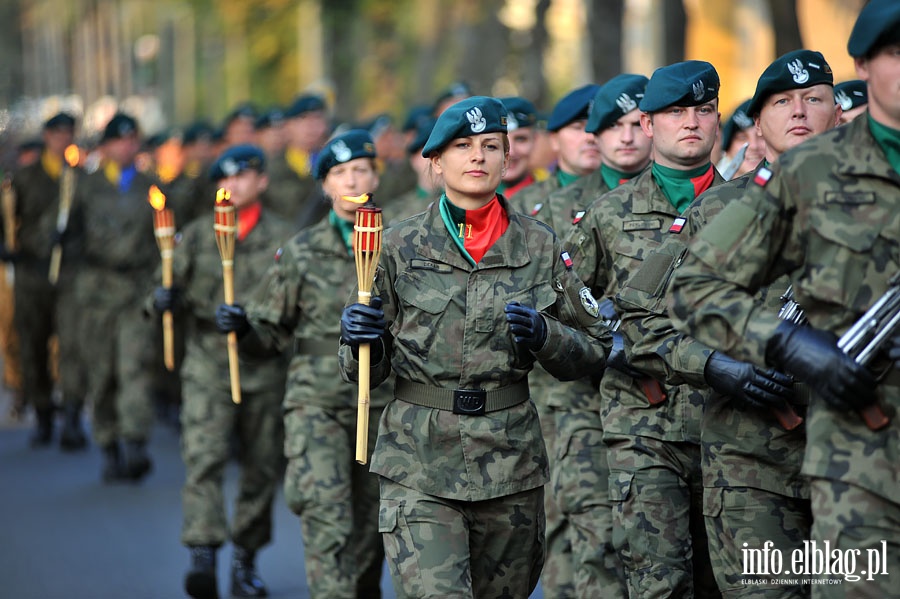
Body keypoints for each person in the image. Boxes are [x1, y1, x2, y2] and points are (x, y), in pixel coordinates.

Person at [338, 96, 612, 598]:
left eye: (491, 146)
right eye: (462, 146)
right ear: (436, 162)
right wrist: (364, 340)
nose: (478, 156)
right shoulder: (396, 246)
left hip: (509, 464)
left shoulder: (541, 245)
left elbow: (594, 347)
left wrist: (547, 337)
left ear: (509, 159)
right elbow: (359, 370)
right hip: (419, 461)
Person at [668, 3, 900, 596]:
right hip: (821, 461)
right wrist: (774, 349)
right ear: (865, 67)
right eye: (896, 54)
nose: (799, 113)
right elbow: (683, 299)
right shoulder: (797, 180)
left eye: (813, 98)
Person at [616, 48, 841, 598]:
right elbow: (642, 325)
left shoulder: (881, 203)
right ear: (756, 124)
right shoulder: (716, 213)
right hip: (751, 466)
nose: (799, 112)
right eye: (781, 102)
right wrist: (715, 365)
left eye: (814, 99)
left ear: (838, 112)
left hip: (857, 458)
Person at [564, 60, 725, 598]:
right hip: (643, 427)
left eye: (704, 111)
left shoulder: (750, 206)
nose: (692, 123)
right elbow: (566, 307)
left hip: (733, 427)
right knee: (659, 583)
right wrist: (609, 345)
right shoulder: (608, 215)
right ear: (650, 124)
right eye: (676, 112)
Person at [217, 130, 391, 598]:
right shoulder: (299, 252)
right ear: (325, 186)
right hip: (316, 404)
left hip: (385, 405)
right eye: (339, 172)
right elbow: (269, 332)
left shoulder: (400, 246)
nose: (352, 179)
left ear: (376, 176)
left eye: (360, 169)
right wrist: (243, 328)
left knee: (373, 523)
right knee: (326, 515)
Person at [154, 144, 291, 599]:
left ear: (262, 182)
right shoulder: (196, 235)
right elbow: (162, 288)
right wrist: (160, 301)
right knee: (204, 456)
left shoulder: (283, 239)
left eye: (243, 176)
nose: (231, 185)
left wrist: (256, 322)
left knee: (261, 467)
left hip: (264, 364)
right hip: (209, 361)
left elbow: (294, 307)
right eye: (224, 179)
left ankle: (244, 559)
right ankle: (204, 552)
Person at [67, 112, 159, 480]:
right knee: (102, 371)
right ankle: (108, 444)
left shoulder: (151, 188)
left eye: (132, 139)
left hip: (136, 290)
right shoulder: (84, 187)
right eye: (119, 140)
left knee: (134, 367)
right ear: (105, 146)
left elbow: (163, 238)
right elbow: (68, 235)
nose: (126, 146)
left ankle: (135, 441)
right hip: (97, 291)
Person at [0, 112, 87, 450]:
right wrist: (8, 249)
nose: (64, 139)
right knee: (32, 345)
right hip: (32, 274)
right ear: (48, 137)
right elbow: (7, 220)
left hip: (68, 274)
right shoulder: (23, 179)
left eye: (69, 133)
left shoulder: (79, 179)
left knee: (71, 346)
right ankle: (43, 412)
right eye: (58, 133)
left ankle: (73, 416)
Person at [511, 84, 601, 220]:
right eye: (577, 128)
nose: (590, 137)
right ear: (554, 140)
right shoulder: (522, 204)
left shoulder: (627, 195)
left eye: (597, 126)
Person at [265, 93, 330, 228]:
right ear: (288, 126)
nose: (311, 127)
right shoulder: (271, 168)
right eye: (303, 119)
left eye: (317, 119)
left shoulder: (334, 167)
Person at [387, 117, 440, 226]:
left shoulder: (468, 206)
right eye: (430, 154)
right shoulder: (395, 212)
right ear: (414, 159)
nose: (438, 160)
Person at [497, 96, 541, 198]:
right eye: (499, 140)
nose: (511, 152)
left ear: (535, 140)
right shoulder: (461, 199)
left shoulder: (553, 200)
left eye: (520, 139)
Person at [716, 99, 766, 179]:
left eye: (762, 136)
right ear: (727, 149)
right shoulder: (709, 188)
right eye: (742, 138)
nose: (754, 146)